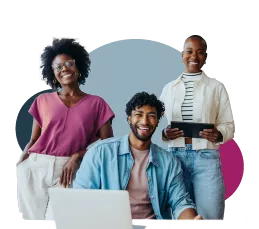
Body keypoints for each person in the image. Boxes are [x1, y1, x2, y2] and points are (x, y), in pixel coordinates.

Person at [16, 37, 115, 221]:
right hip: (36, 167)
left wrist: (77, 156)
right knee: (33, 220)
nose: (64, 69)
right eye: (58, 67)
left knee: (61, 221)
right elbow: (34, 140)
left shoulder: (97, 103)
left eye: (69, 63)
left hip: (70, 170)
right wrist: (21, 165)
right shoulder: (42, 101)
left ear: (78, 67)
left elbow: (107, 144)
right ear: (53, 74)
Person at [72, 92, 203, 221]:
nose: (145, 121)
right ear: (129, 118)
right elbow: (82, 198)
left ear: (157, 121)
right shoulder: (100, 153)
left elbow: (180, 202)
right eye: (138, 114)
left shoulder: (169, 162)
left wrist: (192, 220)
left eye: (151, 116)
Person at [159, 34, 235, 220]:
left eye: (200, 52)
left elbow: (229, 126)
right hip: (175, 158)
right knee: (179, 216)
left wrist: (218, 135)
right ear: (182, 55)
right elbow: (152, 122)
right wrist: (165, 133)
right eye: (189, 51)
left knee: (210, 217)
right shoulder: (169, 88)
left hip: (206, 159)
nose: (194, 56)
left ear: (206, 56)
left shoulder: (217, 87)